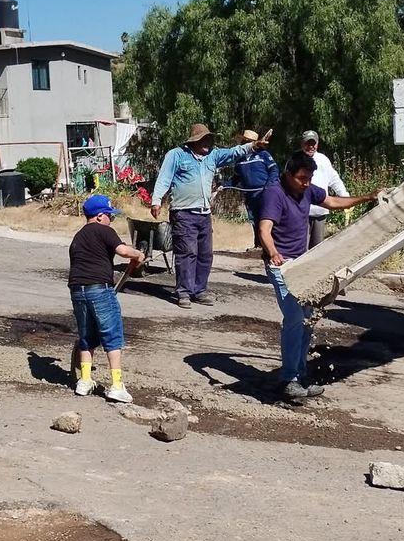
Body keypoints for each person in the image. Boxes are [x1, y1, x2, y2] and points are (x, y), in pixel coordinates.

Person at [258, 152, 376, 400]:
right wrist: (274, 253)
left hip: (303, 265)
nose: (306, 183)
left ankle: (301, 376)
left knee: (309, 319)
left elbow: (331, 202)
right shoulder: (274, 193)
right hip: (281, 267)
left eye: (309, 178)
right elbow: (264, 229)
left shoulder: (308, 190)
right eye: (302, 178)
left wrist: (366, 197)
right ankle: (289, 380)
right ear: (289, 174)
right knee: (295, 318)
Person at [149, 123, 265, 309]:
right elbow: (164, 178)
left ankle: (199, 290)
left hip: (204, 214)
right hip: (183, 213)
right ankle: (184, 292)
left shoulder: (213, 155)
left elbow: (234, 152)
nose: (208, 142)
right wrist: (156, 201)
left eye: (209, 139)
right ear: (194, 141)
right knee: (187, 253)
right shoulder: (176, 155)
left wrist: (254, 145)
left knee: (205, 254)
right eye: (204, 139)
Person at [67, 195, 143, 403]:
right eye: (110, 216)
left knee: (87, 335)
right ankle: (117, 385)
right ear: (100, 216)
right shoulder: (105, 231)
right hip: (100, 289)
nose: (112, 220)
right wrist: (138, 254)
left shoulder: (78, 236)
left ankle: (84, 381)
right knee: (112, 335)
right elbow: (122, 251)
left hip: (77, 291)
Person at [300, 130, 350, 249]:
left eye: (314, 143)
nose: (311, 147)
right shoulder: (296, 160)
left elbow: (334, 179)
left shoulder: (323, 160)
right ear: (302, 144)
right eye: (308, 143)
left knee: (317, 249)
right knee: (300, 250)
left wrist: (345, 197)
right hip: (301, 213)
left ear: (317, 144)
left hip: (320, 211)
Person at [231, 129, 278, 249]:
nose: (244, 144)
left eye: (247, 141)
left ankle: (270, 246)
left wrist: (269, 186)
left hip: (264, 193)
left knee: (266, 218)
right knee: (254, 219)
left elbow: (274, 170)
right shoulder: (240, 160)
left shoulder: (264, 155)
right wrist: (223, 185)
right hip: (250, 195)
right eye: (244, 141)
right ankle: (258, 245)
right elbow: (235, 178)